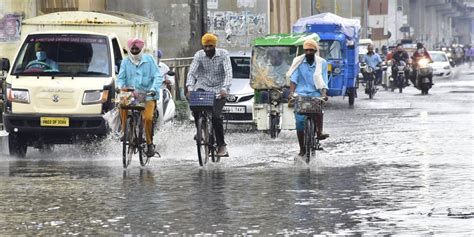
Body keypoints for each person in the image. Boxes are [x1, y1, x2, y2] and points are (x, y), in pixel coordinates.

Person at [186, 33, 232, 157]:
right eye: (205, 47)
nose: (207, 49)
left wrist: (225, 88)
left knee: (216, 117)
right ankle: (200, 130)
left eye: (210, 46)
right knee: (195, 105)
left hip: (219, 89)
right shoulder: (199, 55)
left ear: (215, 45)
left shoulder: (223, 54)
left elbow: (228, 72)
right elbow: (191, 73)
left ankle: (222, 146)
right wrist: (190, 88)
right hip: (203, 86)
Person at [117, 38, 163, 157]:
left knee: (147, 118)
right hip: (131, 94)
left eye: (137, 49)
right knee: (121, 106)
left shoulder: (149, 60)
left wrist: (153, 89)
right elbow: (121, 78)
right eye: (132, 49)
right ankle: (124, 131)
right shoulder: (125, 62)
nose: (134, 51)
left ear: (141, 49)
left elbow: (158, 76)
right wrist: (120, 87)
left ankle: (149, 143)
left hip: (147, 95)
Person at [288, 39, 329, 157]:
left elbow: (324, 79)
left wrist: (324, 93)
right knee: (300, 122)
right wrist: (291, 92)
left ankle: (319, 132)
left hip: (316, 92)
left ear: (315, 51)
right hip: (301, 93)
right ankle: (302, 149)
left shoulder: (322, 63)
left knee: (319, 111)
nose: (309, 52)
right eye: (307, 50)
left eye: (311, 50)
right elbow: (293, 78)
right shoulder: (298, 62)